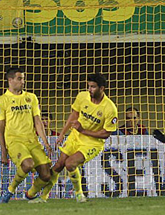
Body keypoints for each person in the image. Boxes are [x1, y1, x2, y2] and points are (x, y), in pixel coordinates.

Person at [34, 73, 118, 203]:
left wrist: (83, 130)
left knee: (70, 164)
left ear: (102, 88)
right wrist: (62, 133)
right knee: (58, 165)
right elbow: (74, 115)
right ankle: (43, 197)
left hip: (92, 143)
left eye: (93, 87)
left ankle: (79, 194)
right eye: (89, 86)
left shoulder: (110, 108)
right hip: (75, 136)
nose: (90, 90)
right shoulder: (82, 96)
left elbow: (106, 133)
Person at [0, 67, 53, 203]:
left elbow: (38, 122)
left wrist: (45, 143)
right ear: (10, 80)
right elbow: (0, 128)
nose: (23, 82)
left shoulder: (31, 98)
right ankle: (9, 190)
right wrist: (4, 152)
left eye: (23, 78)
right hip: (15, 142)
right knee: (27, 164)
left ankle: (30, 194)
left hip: (32, 141)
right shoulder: (1, 101)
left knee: (46, 175)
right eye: (19, 78)